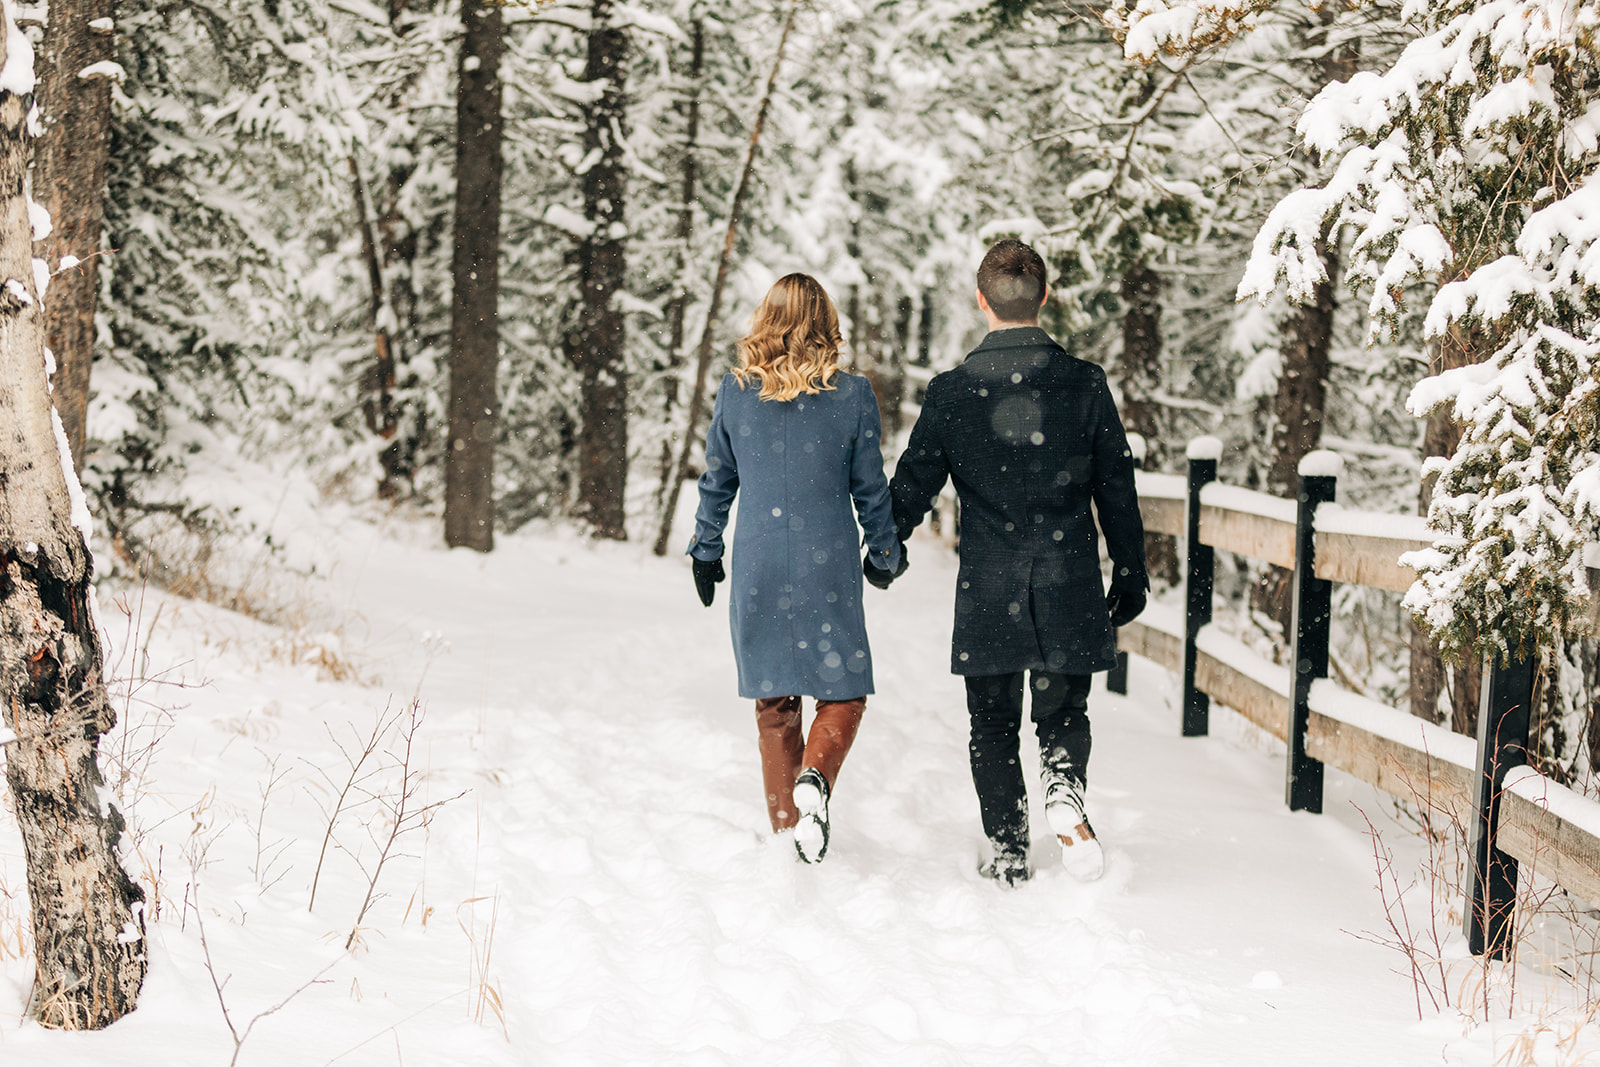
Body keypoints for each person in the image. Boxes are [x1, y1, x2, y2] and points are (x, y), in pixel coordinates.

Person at [889, 239, 1148, 886]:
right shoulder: (1085, 385)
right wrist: (1132, 570)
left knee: (993, 722)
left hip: (990, 585)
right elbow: (1116, 485)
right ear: (1046, 296)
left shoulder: (951, 392)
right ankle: (1063, 785)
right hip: (1068, 579)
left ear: (982, 300)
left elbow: (914, 484)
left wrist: (884, 547)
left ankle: (1008, 849)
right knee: (1063, 711)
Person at [687, 273, 907, 864]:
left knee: (774, 702)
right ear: (825, 323)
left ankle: (790, 835)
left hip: (761, 560)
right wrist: (884, 552)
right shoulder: (853, 394)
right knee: (844, 690)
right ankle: (817, 780)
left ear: (767, 321)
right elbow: (870, 488)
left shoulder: (736, 392)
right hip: (825, 564)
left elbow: (717, 482)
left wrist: (706, 550)